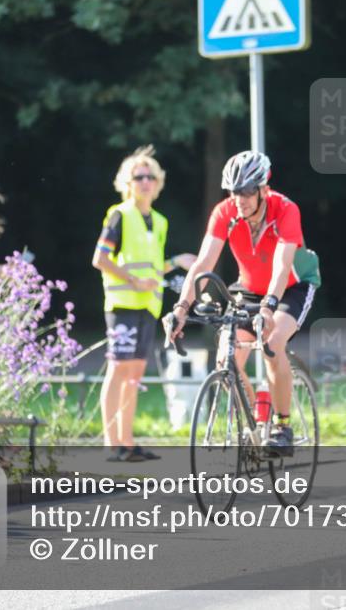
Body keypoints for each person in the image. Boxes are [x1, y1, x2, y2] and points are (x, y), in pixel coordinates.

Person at [166, 151, 321, 457]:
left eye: (248, 191)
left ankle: (282, 425)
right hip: (248, 288)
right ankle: (254, 424)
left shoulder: (285, 210)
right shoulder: (225, 212)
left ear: (264, 188)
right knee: (226, 360)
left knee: (272, 343)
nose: (241, 199)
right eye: (234, 192)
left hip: (291, 286)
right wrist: (181, 308)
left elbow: (281, 264)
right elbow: (203, 264)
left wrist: (269, 307)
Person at [92, 145, 195, 463]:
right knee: (118, 369)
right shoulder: (119, 215)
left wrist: (176, 261)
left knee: (135, 372)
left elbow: (150, 267)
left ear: (159, 182)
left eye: (151, 176)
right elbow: (100, 259)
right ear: (128, 182)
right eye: (139, 177)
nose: (146, 181)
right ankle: (113, 442)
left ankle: (128, 440)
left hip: (148, 307)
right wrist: (135, 282)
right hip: (123, 303)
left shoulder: (160, 221)